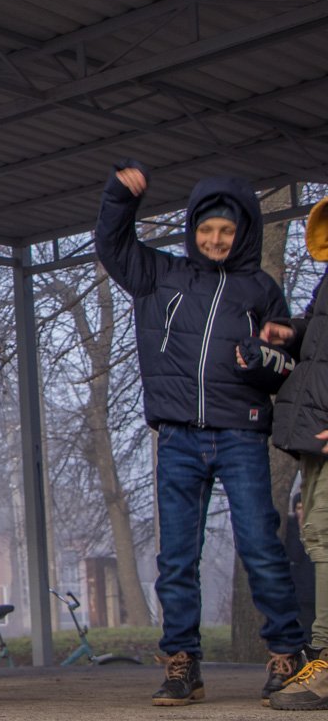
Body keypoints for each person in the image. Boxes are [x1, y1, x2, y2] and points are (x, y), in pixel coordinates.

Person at [94, 162, 304, 707]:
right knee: (176, 558)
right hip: (179, 437)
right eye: (206, 230)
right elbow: (113, 246)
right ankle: (182, 664)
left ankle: (287, 654)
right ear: (192, 230)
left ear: (244, 233)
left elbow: (286, 363)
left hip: (241, 435)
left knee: (261, 545)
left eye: (226, 231)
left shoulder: (261, 289)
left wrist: (264, 359)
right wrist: (121, 198)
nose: (215, 240)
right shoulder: (160, 274)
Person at [264, 197, 328, 710]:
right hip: (314, 430)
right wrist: (293, 332)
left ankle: (327, 663)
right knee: (314, 534)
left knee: (325, 535)